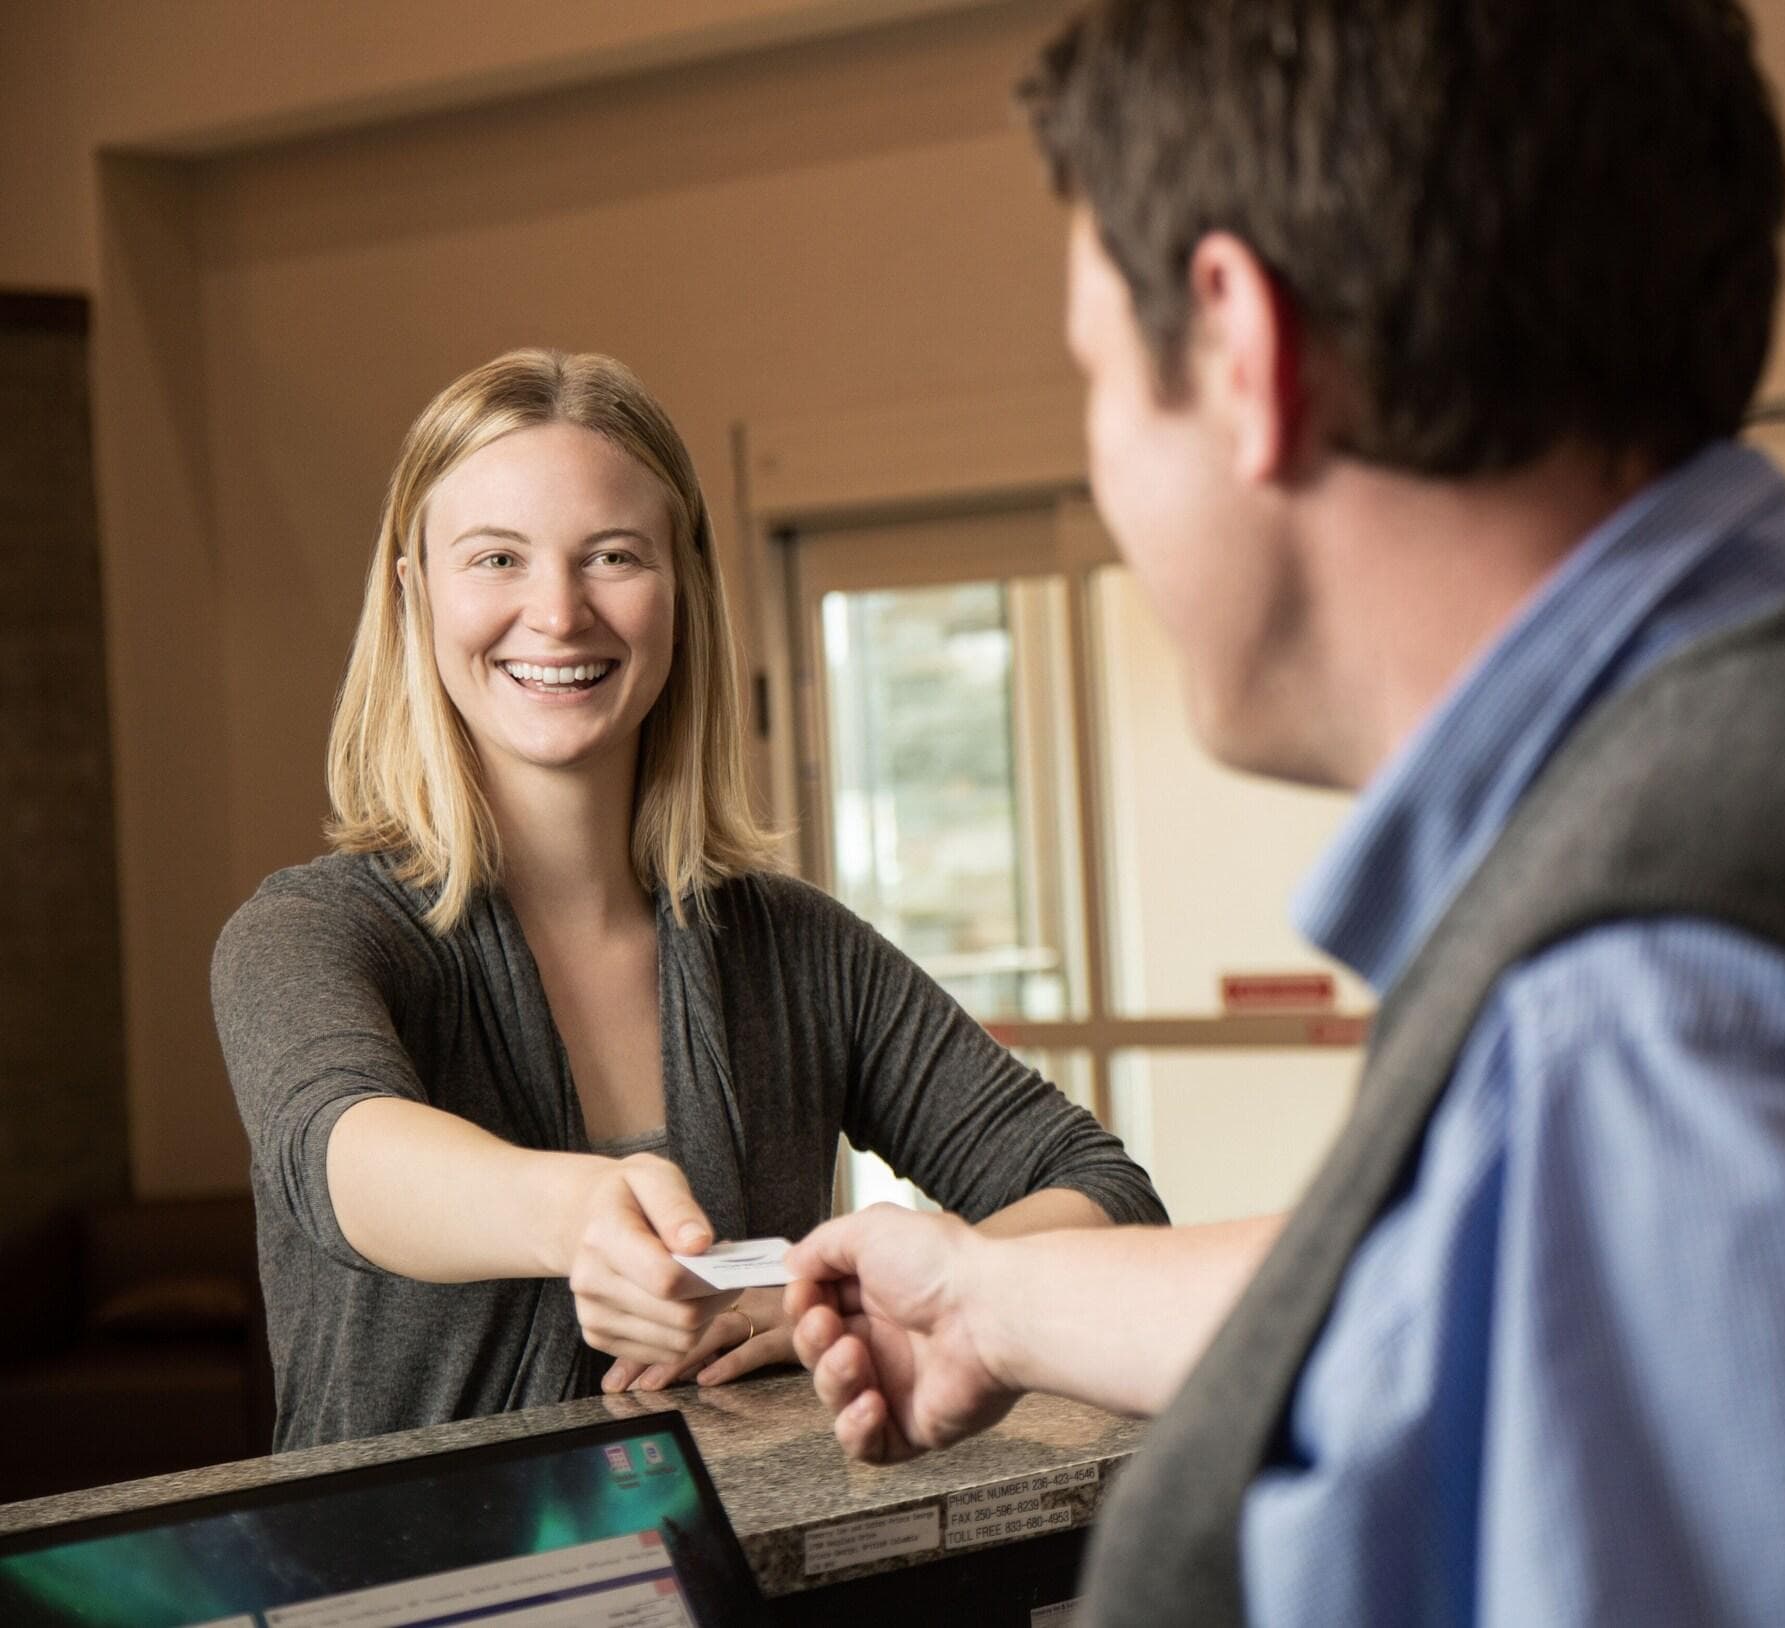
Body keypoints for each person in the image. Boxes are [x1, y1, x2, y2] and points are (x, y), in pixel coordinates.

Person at [784, 3, 1785, 1624]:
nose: (1107, 479)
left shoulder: (1649, 1026)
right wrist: (992, 1297)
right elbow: (1459, 1282)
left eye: (1097, 383)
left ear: (1242, 352)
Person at [212, 348, 1165, 1452]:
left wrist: (848, 1296)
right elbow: (341, 1154)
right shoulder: (309, 932)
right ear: (412, 590)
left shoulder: (798, 947)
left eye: (611, 555)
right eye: (496, 558)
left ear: (682, 588)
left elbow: (1102, 1193)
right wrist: (578, 1215)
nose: (557, 612)